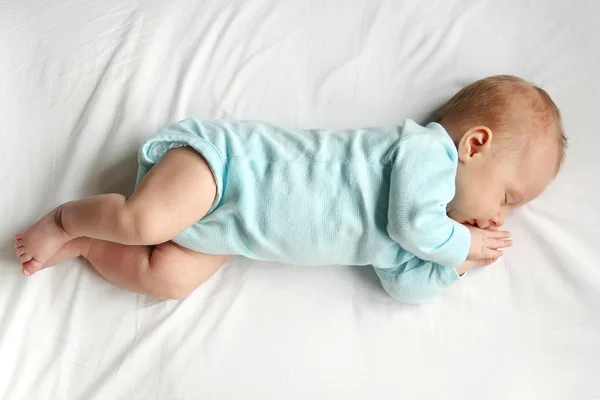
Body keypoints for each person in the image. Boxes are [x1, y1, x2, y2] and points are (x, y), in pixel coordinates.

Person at [13, 75, 566, 303]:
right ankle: (67, 220)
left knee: (169, 281)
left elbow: (407, 291)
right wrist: (462, 245)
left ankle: (87, 246)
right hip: (228, 170)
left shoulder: (419, 239)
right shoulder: (425, 154)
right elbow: (413, 223)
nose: (499, 218)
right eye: (508, 198)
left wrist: (457, 266)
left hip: (229, 233)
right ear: (474, 145)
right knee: (145, 222)